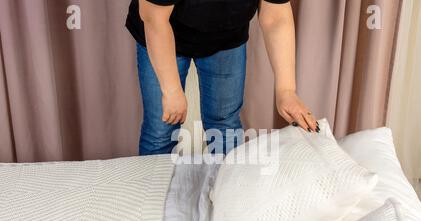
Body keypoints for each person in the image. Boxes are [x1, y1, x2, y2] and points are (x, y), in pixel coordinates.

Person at [126, 0, 319, 155]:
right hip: (162, 30)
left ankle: (226, 196)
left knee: (224, 128)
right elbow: (154, 19)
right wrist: (172, 90)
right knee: (160, 129)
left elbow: (276, 16)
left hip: (226, 37)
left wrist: (286, 91)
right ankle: (154, 200)